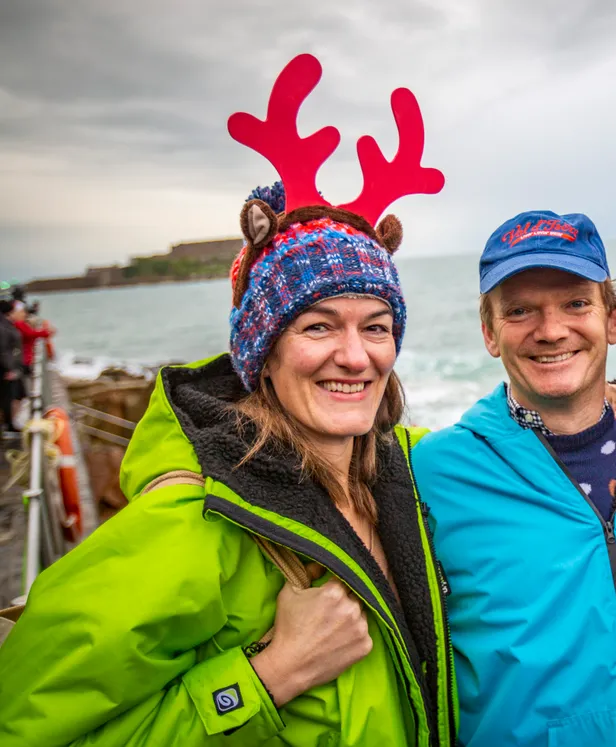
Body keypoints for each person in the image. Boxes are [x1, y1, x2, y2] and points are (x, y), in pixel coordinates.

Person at [0, 54, 456, 747]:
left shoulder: (411, 473)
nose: (355, 355)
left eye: (377, 326)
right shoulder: (195, 520)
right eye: (317, 326)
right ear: (262, 353)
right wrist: (268, 676)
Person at [411, 210, 616, 747]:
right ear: (489, 333)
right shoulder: (434, 472)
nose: (550, 330)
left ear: (613, 320)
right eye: (519, 310)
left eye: (575, 303)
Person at [0, 299, 22, 437]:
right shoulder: (3, 327)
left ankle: (8, 425)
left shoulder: (5, 325)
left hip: (5, 366)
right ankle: (8, 426)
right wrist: (8, 369)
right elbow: (2, 350)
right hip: (3, 368)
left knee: (7, 397)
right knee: (6, 397)